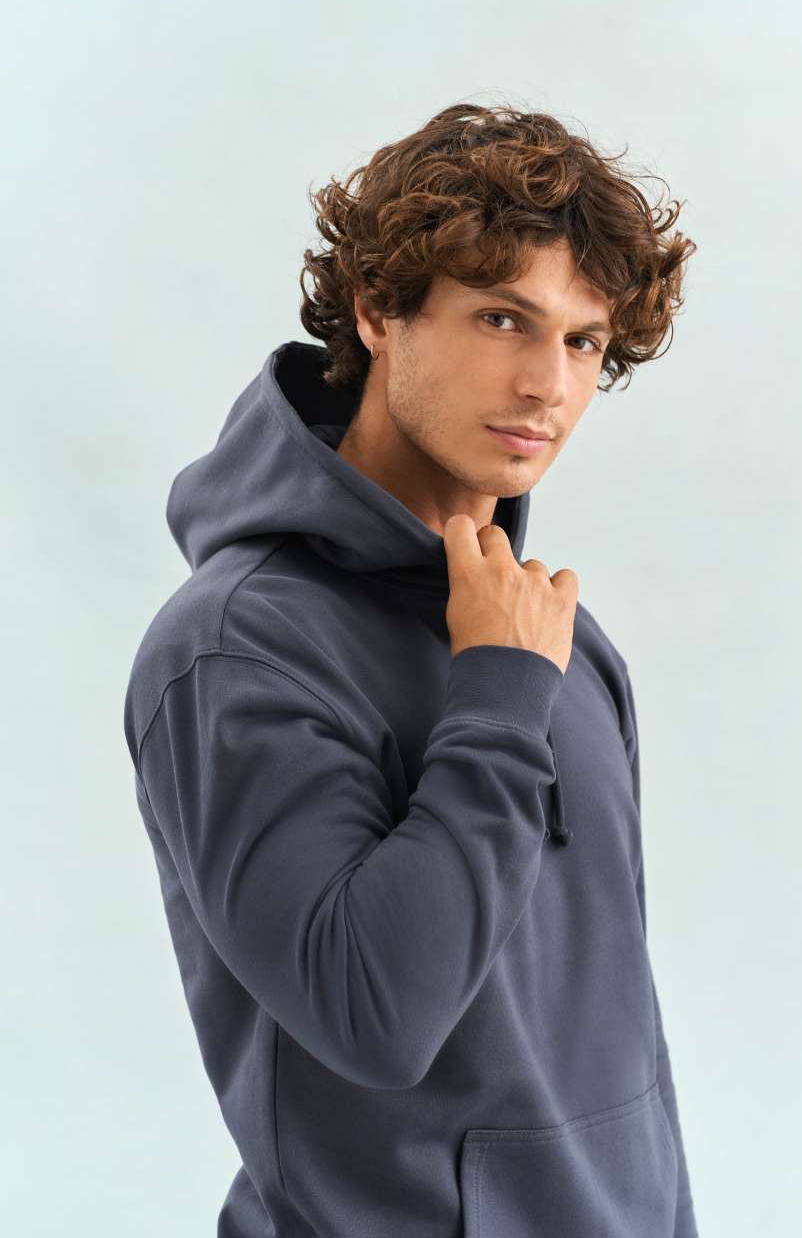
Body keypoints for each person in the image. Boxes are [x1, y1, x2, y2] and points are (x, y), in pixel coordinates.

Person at [123, 100, 699, 1237]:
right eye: (502, 318)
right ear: (377, 309)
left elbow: (627, 1045)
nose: (547, 385)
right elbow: (372, 1013)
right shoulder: (235, 645)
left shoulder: (557, 638)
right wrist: (496, 700)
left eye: (582, 341)